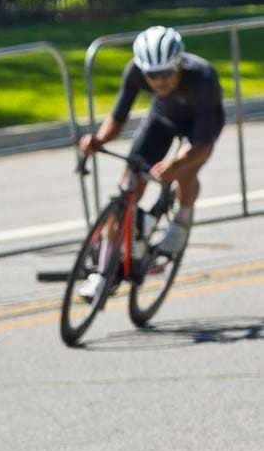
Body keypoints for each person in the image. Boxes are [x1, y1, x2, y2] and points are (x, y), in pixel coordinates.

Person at [77, 25, 224, 301]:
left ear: (179, 63)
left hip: (199, 127)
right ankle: (103, 273)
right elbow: (117, 118)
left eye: (166, 74)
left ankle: (182, 219)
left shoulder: (203, 77)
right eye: (152, 75)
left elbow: (200, 144)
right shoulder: (135, 71)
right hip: (162, 119)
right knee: (128, 185)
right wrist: (97, 140)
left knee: (184, 171)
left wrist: (175, 163)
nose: (159, 82)